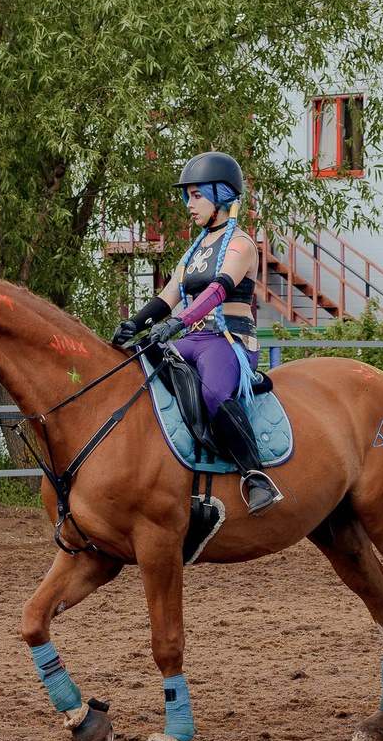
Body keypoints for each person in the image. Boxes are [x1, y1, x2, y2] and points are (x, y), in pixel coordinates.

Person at [111, 151, 282, 518]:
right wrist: (135, 324)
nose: (189, 204)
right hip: (190, 339)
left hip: (228, 341)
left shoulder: (241, 245)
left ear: (221, 196)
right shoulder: (194, 251)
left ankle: (255, 476)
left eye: (197, 195)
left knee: (214, 393)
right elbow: (168, 294)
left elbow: (218, 290)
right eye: (187, 196)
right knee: (138, 368)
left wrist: (178, 323)